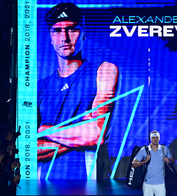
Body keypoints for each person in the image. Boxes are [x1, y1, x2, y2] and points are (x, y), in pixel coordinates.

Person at [37, 3, 118, 179]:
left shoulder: (103, 71)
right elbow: (31, 146)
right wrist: (78, 133)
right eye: (57, 31)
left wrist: (45, 130)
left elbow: (96, 133)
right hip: (45, 185)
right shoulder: (40, 87)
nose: (64, 37)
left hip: (91, 185)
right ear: (50, 38)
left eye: (72, 29)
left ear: (83, 33)